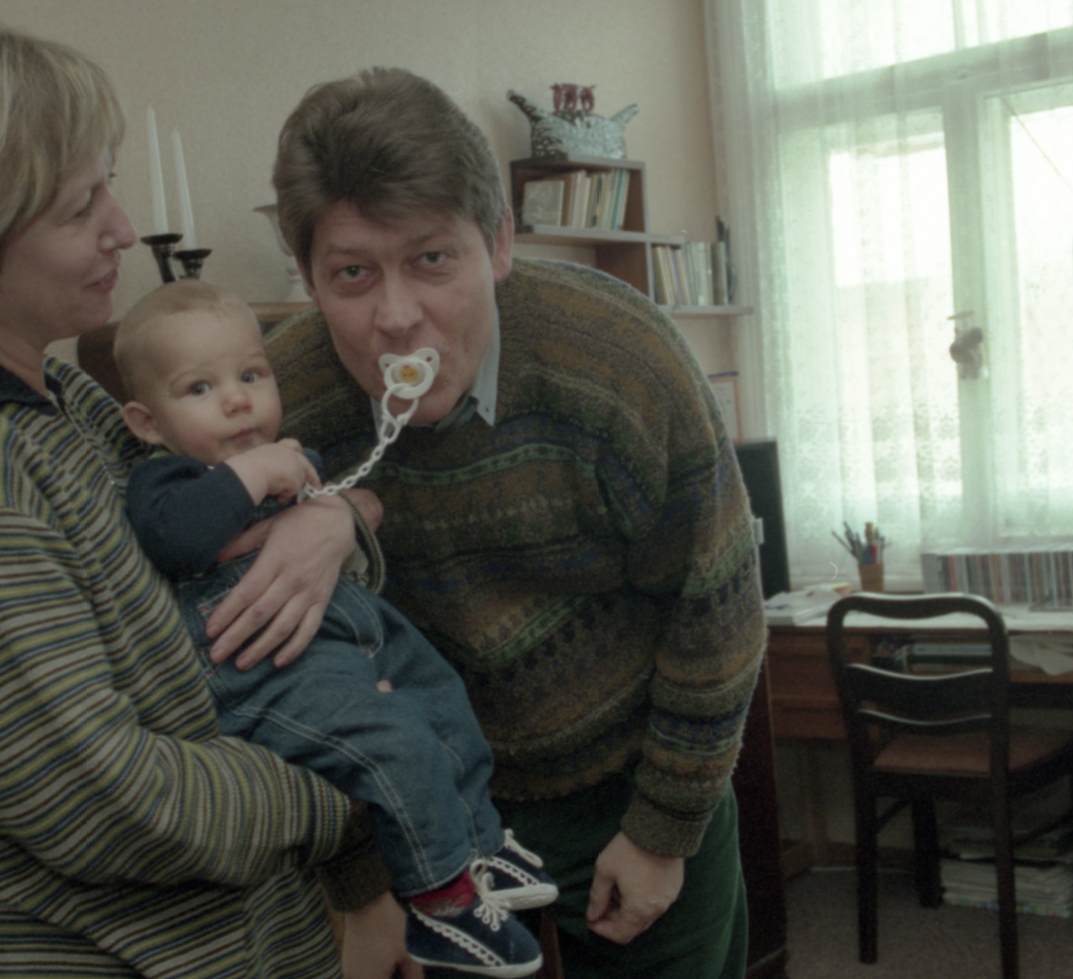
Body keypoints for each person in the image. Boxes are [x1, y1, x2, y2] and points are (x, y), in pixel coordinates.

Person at [0, 26, 416, 979]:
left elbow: (229, 563)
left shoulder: (60, 396)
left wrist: (332, 521)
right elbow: (101, 799)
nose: (124, 229)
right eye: (80, 206)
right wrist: (354, 787)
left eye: (109, 186)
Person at [266, 67, 767, 979]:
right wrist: (367, 879)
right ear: (307, 278)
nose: (395, 317)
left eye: (432, 259)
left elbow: (718, 609)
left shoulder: (620, 362)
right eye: (351, 273)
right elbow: (284, 680)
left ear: (497, 242)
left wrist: (662, 832)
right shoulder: (281, 412)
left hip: (638, 779)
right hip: (429, 818)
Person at [112, 279, 559, 977]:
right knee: (395, 746)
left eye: (251, 376)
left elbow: (342, 502)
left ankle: (479, 843)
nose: (237, 400)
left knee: (440, 692)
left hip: (348, 632)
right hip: (265, 671)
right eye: (199, 388)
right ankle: (441, 904)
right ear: (146, 423)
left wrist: (322, 494)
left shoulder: (285, 457)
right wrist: (255, 470)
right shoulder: (164, 484)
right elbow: (179, 540)